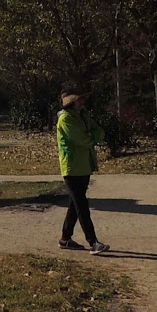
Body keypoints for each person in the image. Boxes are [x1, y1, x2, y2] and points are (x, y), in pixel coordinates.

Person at [56, 87, 109, 255]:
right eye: (79, 99)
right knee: (82, 205)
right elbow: (83, 140)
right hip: (72, 168)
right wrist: (92, 136)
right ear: (71, 103)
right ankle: (93, 242)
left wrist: (93, 135)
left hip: (85, 165)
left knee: (75, 204)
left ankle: (65, 239)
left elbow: (100, 131)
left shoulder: (83, 116)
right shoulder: (65, 119)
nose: (83, 102)